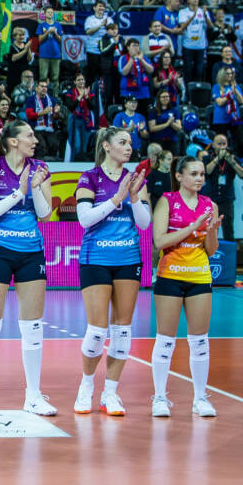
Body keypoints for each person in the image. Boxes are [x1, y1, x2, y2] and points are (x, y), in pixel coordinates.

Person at [0, 119, 55, 416]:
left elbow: (45, 215)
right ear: (13, 141)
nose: (35, 140)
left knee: (32, 327)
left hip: (31, 253)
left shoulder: (40, 168)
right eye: (29, 136)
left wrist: (35, 189)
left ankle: (33, 396)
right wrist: (19, 193)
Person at [73, 129, 151, 416]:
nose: (129, 147)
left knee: (122, 330)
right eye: (122, 142)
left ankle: (111, 393)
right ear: (106, 146)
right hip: (96, 257)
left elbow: (144, 224)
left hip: (128, 258)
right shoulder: (90, 177)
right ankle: (86, 386)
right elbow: (85, 219)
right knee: (97, 331)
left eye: (130, 143)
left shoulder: (136, 178)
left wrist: (133, 197)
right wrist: (117, 198)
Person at [150, 156, 220, 418]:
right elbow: (160, 241)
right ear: (179, 176)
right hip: (170, 275)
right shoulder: (167, 201)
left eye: (202, 174)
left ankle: (200, 398)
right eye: (194, 174)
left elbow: (210, 250)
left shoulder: (210, 205)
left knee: (200, 341)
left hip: (199, 276)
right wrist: (193, 227)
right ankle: (159, 397)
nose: (200, 178)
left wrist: (211, 231)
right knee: (165, 340)